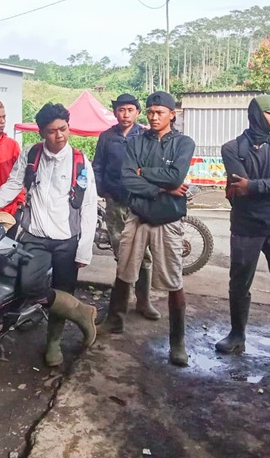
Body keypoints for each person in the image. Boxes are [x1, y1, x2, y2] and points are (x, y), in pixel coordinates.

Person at [0, 103, 98, 368]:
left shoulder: (80, 161)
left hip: (68, 240)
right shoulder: (31, 154)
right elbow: (14, 183)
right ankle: (81, 312)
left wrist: (84, 248)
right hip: (35, 236)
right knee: (29, 287)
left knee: (63, 289)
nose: (60, 135)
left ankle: (53, 343)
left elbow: (89, 205)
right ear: (42, 132)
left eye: (63, 129)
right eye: (52, 131)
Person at [98, 91, 196, 367]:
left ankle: (177, 341)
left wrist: (145, 174)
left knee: (173, 278)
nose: (154, 117)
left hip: (168, 218)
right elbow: (127, 179)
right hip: (138, 214)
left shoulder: (184, 143)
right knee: (124, 269)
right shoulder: (136, 142)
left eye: (159, 112)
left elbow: (176, 176)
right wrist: (162, 188)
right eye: (151, 112)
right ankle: (115, 320)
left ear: (172, 115)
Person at [215, 94, 270, 365]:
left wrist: (253, 186)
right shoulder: (231, 148)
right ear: (258, 116)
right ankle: (237, 335)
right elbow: (239, 186)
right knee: (239, 284)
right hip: (245, 228)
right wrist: (258, 187)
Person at [93, 93, 159, 320]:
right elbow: (98, 166)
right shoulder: (107, 137)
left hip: (140, 203)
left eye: (130, 110)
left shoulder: (147, 136)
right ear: (115, 113)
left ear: (137, 113)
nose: (125, 114)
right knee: (122, 253)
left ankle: (143, 302)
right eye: (121, 110)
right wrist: (102, 190)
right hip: (115, 203)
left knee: (144, 253)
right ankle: (120, 305)